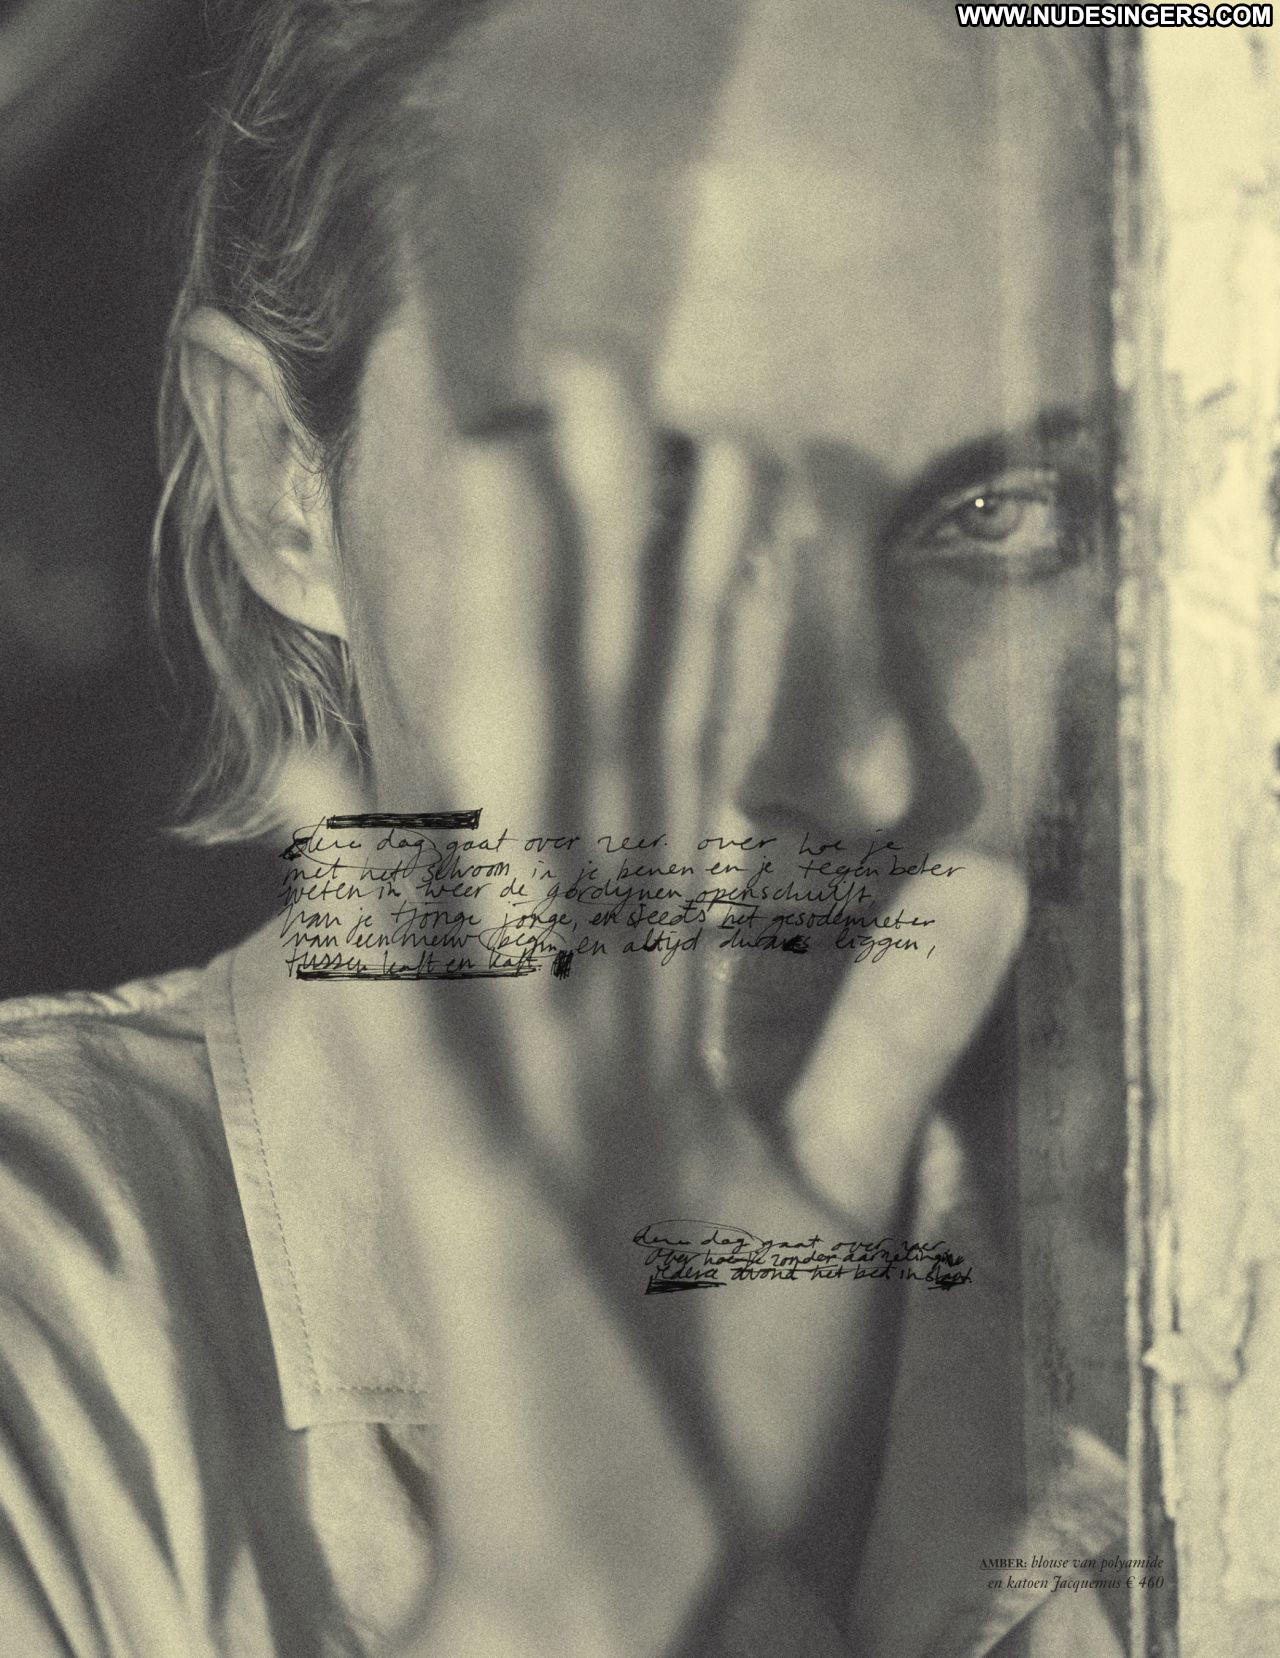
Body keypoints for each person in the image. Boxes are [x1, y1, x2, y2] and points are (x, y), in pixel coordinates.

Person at [0, 2, 1130, 1653]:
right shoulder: (44, 1357)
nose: (848, 762)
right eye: (643, 510)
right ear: (278, 481)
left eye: (993, 516)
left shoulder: (1188, 1339)